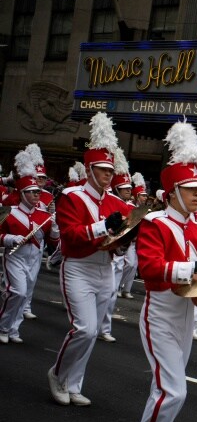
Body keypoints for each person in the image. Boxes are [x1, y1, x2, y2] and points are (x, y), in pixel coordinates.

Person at [128, 119, 197, 422]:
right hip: (160, 315)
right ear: (173, 192)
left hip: (187, 316)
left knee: (164, 391)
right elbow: (150, 270)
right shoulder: (154, 223)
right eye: (193, 190)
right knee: (173, 391)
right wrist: (192, 269)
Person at [47, 111, 130, 407]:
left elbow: (120, 241)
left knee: (93, 332)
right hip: (78, 267)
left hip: (104, 268)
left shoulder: (117, 202)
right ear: (90, 169)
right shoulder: (71, 196)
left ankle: (74, 383)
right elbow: (69, 235)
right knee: (83, 328)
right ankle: (57, 374)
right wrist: (103, 227)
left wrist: (122, 243)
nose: (109, 175)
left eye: (111, 171)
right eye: (103, 170)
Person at [0, 148, 59, 343]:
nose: (37, 195)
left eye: (37, 192)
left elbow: (53, 241)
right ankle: (3, 326)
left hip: (34, 257)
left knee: (25, 293)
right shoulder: (11, 211)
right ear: (23, 193)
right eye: (32, 192)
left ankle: (14, 330)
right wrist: (10, 239)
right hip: (15, 256)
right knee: (16, 291)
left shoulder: (45, 216)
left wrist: (56, 226)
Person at [98, 148, 133, 343]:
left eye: (130, 189)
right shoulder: (110, 203)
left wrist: (123, 245)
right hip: (101, 253)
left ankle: (104, 328)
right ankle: (95, 327)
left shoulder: (125, 206)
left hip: (118, 255)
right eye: (125, 189)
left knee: (111, 295)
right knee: (105, 294)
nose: (129, 191)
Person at [118, 171, 147, 299]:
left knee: (134, 265)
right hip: (128, 240)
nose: (145, 198)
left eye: (146, 196)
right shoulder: (129, 206)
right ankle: (118, 286)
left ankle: (126, 290)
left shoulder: (144, 209)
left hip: (138, 241)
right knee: (128, 264)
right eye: (143, 195)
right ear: (137, 196)